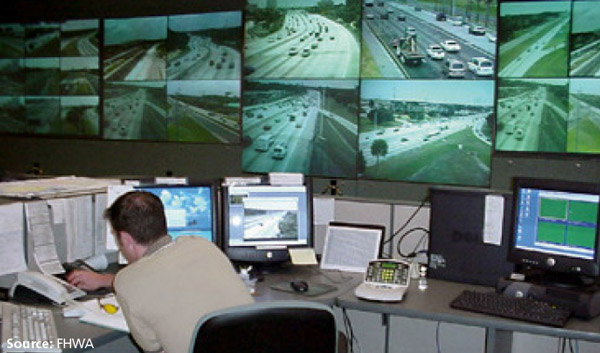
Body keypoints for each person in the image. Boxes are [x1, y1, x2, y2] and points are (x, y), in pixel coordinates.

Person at [79, 191, 254, 353]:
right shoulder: (201, 245)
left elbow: (151, 345)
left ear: (125, 238)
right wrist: (106, 280)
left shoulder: (127, 282)